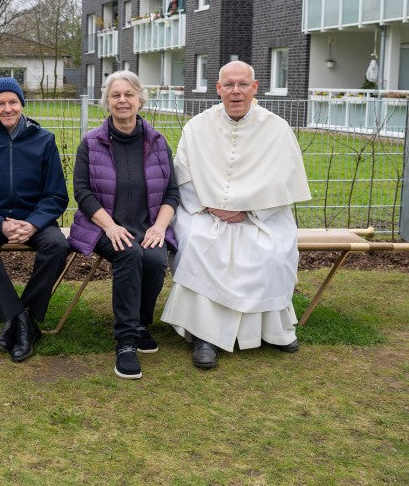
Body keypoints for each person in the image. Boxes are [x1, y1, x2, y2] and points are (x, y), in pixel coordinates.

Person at [161, 60, 311, 369]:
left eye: (243, 84)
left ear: (255, 88)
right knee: (198, 242)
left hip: (259, 216)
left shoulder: (277, 129)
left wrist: (249, 210)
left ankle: (272, 330)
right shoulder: (197, 126)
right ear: (218, 88)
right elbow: (184, 176)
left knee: (270, 250)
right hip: (204, 212)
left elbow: (285, 181)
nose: (236, 91)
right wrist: (210, 207)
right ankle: (204, 336)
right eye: (228, 85)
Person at [68, 71, 178, 379]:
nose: (122, 100)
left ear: (140, 99)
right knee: (130, 254)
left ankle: (142, 323)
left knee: (155, 259)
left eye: (129, 94)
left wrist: (159, 227)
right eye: (115, 95)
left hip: (148, 225)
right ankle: (126, 340)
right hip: (101, 226)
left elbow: (171, 191)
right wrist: (111, 226)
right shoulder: (91, 142)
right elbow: (82, 192)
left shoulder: (157, 142)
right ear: (106, 102)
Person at [0, 77, 70, 362]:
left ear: (22, 104)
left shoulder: (44, 140)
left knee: (57, 245)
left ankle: (24, 318)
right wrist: (1, 224)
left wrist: (33, 223)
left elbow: (56, 195)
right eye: (0, 103)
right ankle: (20, 319)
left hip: (34, 218)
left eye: (12, 102)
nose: (7, 108)